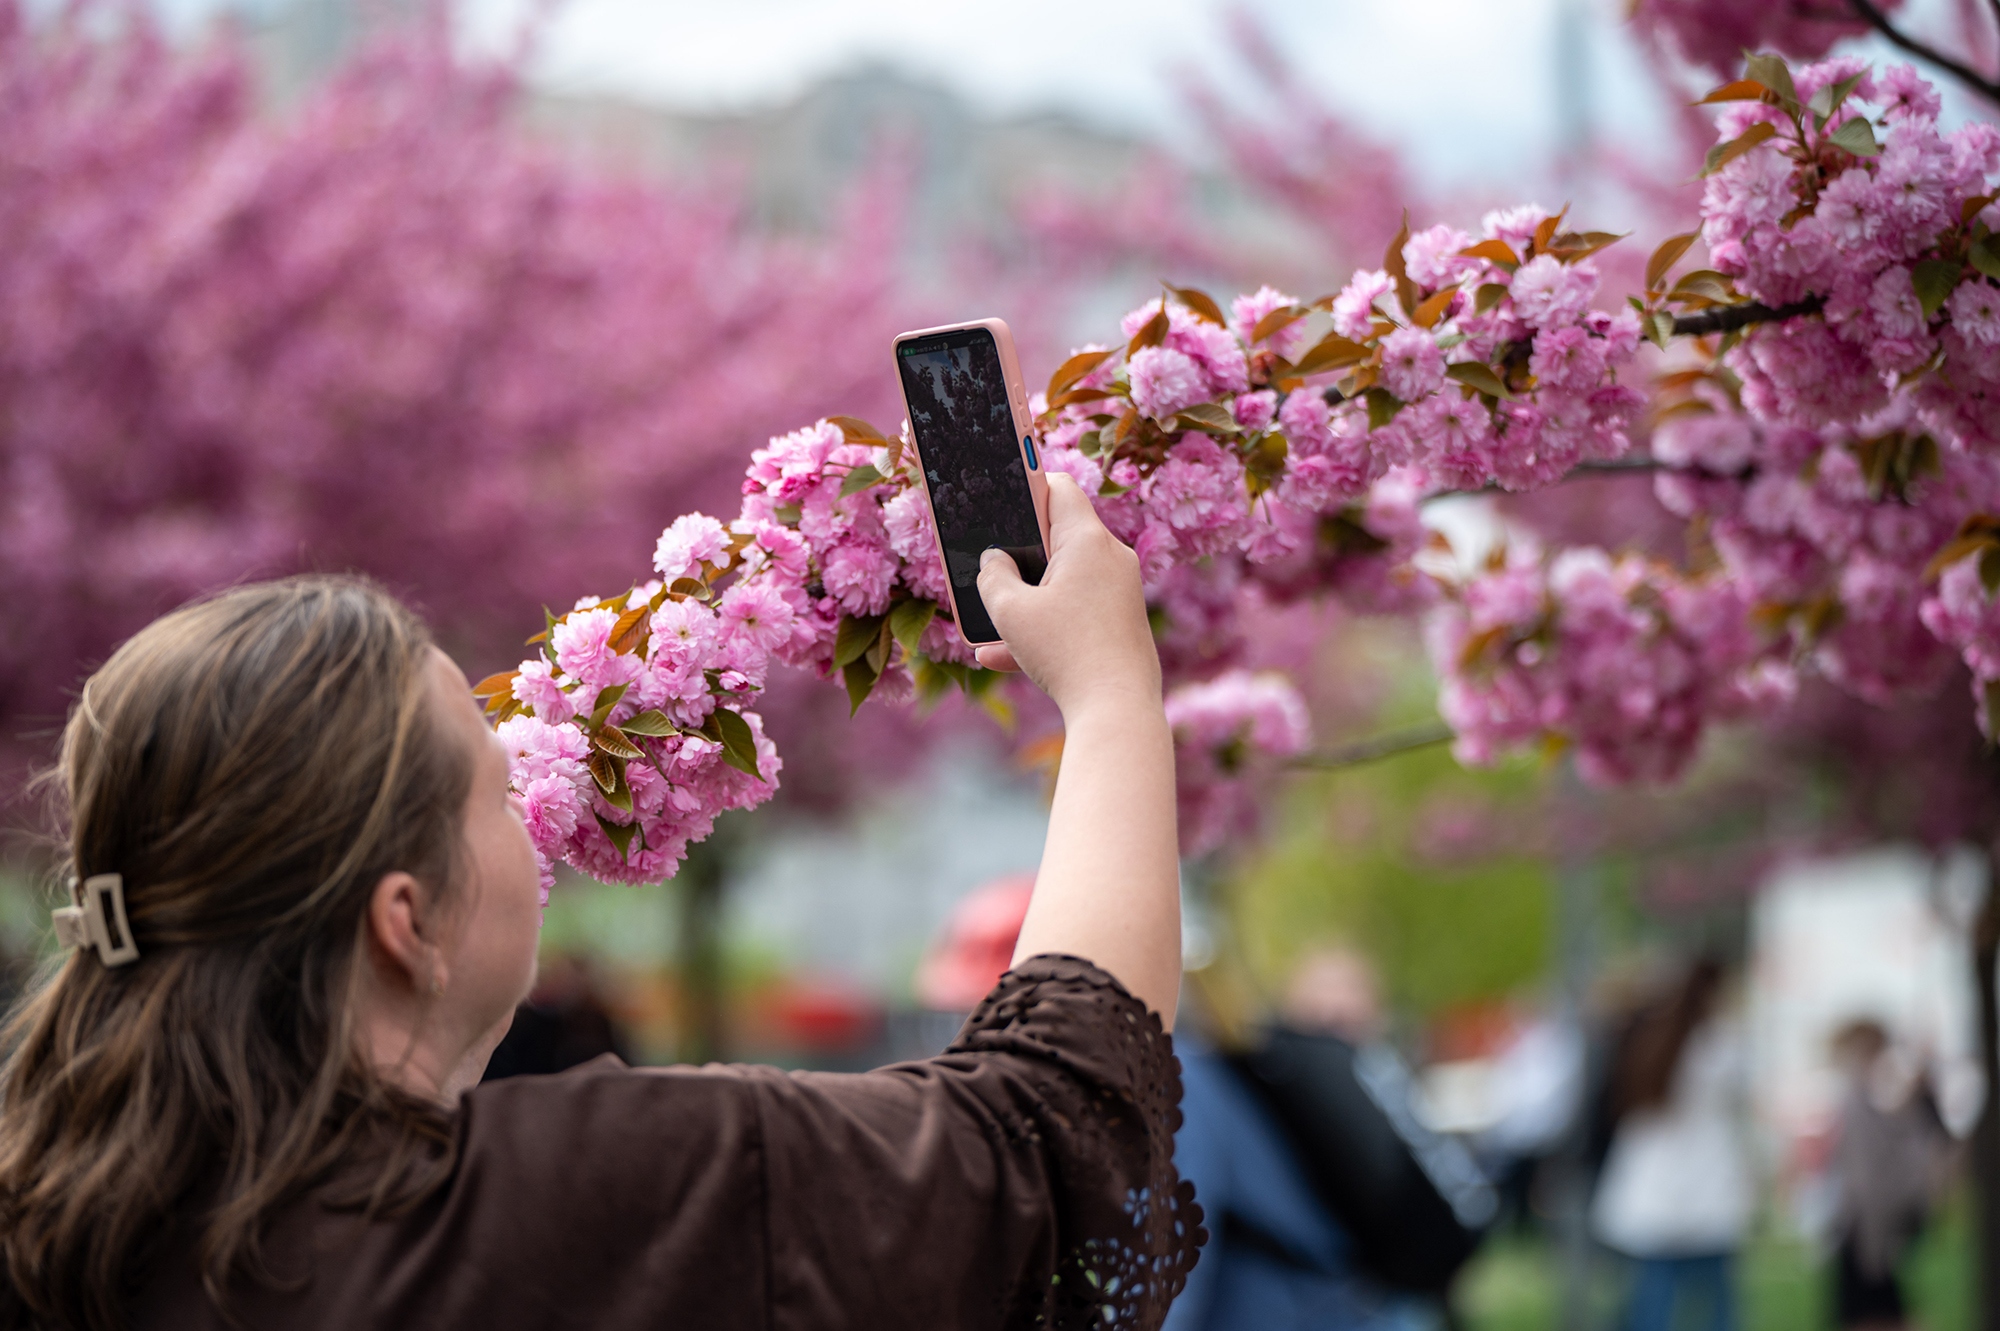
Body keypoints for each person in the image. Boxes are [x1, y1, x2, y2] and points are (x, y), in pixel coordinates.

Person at [0, 472, 1203, 1329]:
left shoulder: (59, 1230)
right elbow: (1050, 1139)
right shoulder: (596, 1199)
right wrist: (1106, 693)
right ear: (405, 920)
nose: (528, 811)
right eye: (489, 781)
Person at [1590, 957, 1753, 1331]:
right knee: (1715, 1305)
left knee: (1652, 1303)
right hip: (1706, 1196)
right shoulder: (1718, 1047)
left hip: (1656, 1201)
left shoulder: (1649, 1044)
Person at [1824, 1018, 1955, 1331]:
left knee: (1877, 1312)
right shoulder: (1862, 1100)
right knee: (1877, 1310)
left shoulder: (1863, 1102)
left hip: (1866, 1227)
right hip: (1863, 1226)